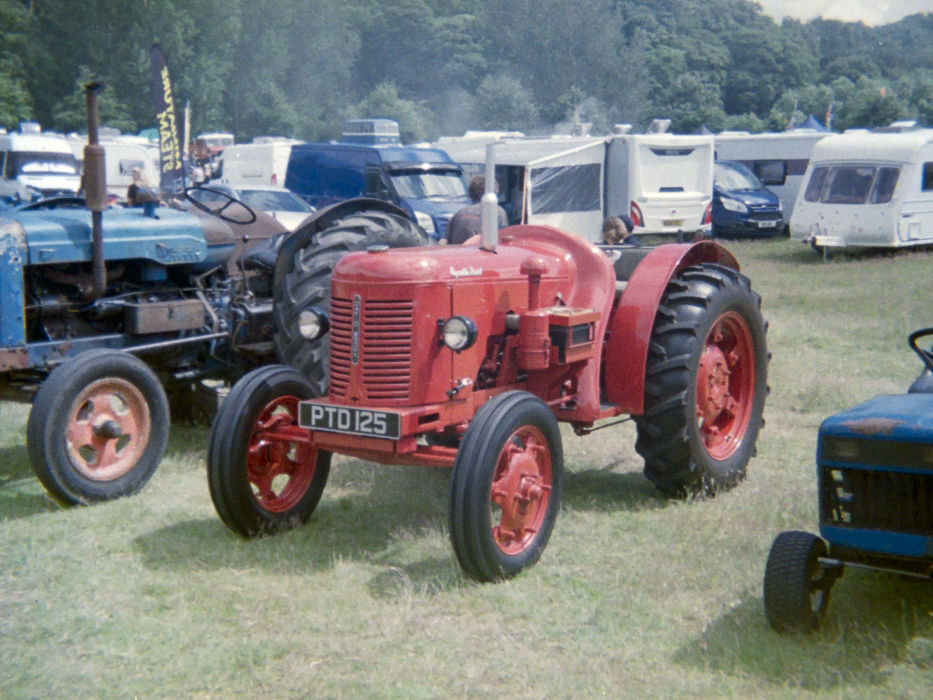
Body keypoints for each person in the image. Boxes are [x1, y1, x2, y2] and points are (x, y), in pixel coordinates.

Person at [445, 174, 508, 245]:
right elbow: (504, 241)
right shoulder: (498, 212)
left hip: (458, 251)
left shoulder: (458, 214)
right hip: (481, 251)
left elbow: (443, 241)